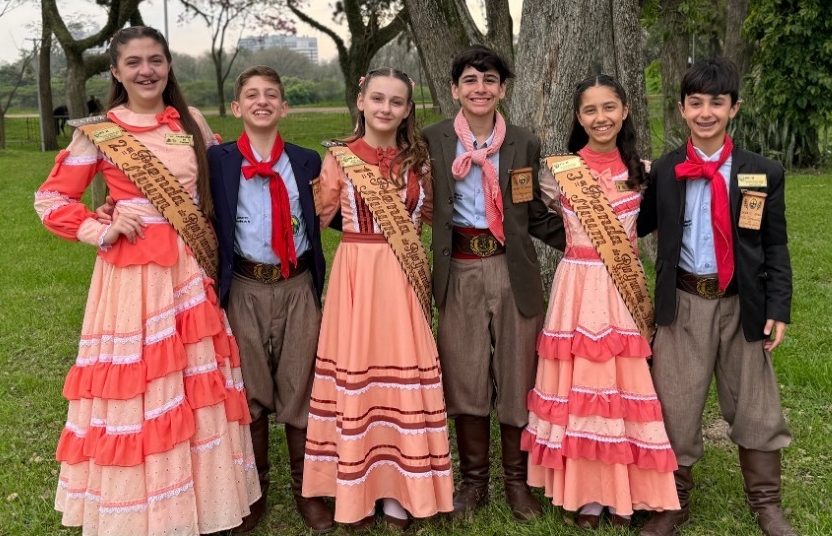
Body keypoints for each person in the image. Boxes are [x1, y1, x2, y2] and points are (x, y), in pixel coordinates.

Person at [33, 26, 260, 535]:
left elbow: (220, 185)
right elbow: (50, 200)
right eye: (133, 62)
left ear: (168, 65)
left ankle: (207, 500)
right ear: (116, 72)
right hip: (135, 279)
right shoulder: (99, 132)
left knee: (195, 384)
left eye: (155, 60)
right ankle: (142, 511)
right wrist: (101, 227)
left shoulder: (191, 122)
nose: (146, 71)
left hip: (189, 268)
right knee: (146, 387)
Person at [636, 58, 795, 536]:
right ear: (682, 109)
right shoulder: (665, 170)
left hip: (741, 303)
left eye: (717, 103)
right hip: (683, 302)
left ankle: (766, 503)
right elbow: (635, 222)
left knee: (755, 401)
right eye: (696, 103)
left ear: (734, 109)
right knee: (675, 403)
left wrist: (779, 306)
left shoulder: (761, 172)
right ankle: (673, 501)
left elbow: (775, 244)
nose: (706, 112)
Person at [522, 74, 680, 529]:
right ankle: (586, 494)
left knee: (622, 386)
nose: (600, 118)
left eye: (609, 107)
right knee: (579, 387)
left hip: (621, 289)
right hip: (575, 287)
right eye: (590, 110)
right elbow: (534, 217)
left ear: (625, 111)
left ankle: (627, 488)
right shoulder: (559, 171)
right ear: (578, 117)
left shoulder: (646, 173)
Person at [301, 67, 454, 531]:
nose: (386, 108)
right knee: (359, 378)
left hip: (402, 277)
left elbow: (429, 216)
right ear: (361, 100)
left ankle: (399, 490)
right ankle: (357, 490)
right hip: (357, 277)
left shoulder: (418, 160)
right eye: (378, 98)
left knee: (400, 376)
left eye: (397, 101)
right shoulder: (339, 158)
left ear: (407, 110)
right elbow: (315, 213)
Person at [422, 44, 565, 522]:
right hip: (459, 266)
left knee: (518, 371)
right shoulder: (434, 139)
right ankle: (474, 481)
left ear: (503, 89)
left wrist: (586, 242)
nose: (479, 89)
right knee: (464, 372)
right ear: (454, 89)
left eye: (489, 81)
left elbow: (531, 214)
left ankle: (517, 482)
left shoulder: (522, 142)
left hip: (510, 268)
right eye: (470, 80)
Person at [207, 66, 334, 534]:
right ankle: (255, 489)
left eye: (272, 95)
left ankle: (309, 491)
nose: (262, 102)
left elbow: (336, 211)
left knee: (302, 386)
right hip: (244, 285)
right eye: (252, 96)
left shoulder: (306, 162)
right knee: (252, 390)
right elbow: (185, 200)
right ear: (237, 108)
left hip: (298, 284)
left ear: (285, 107)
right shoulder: (217, 161)